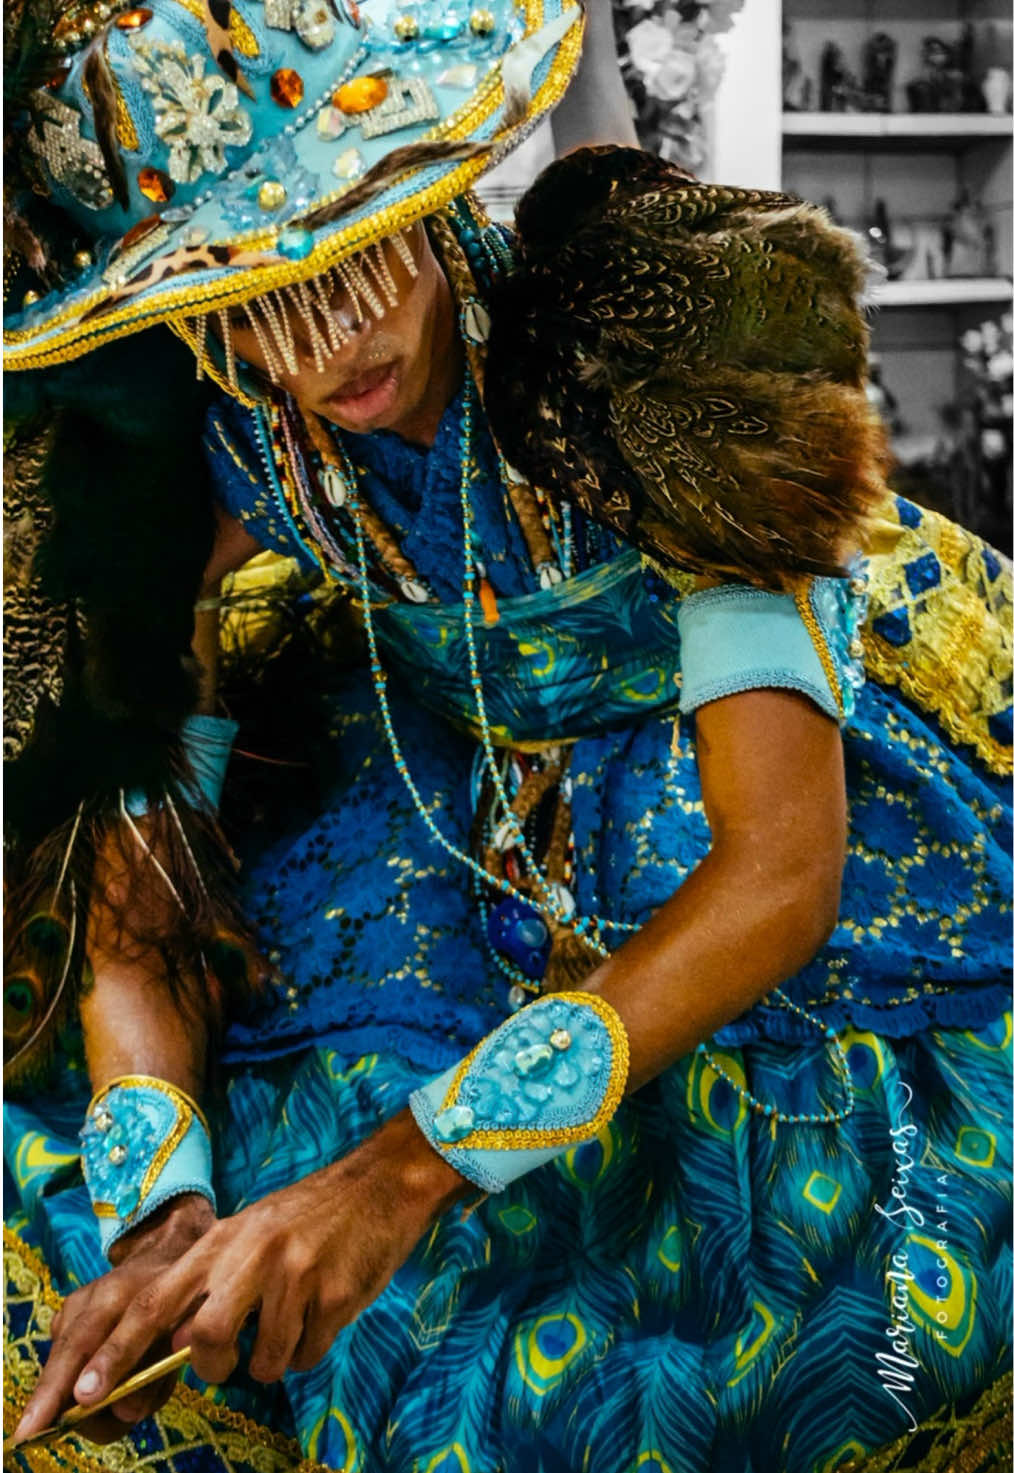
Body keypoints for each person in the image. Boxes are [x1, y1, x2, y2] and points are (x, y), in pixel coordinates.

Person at [4, 4, 1011, 1472]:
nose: (324, 340)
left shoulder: (652, 357)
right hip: (432, 773)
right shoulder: (210, 452)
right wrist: (165, 1217)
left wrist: (399, 1175)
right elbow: (138, 918)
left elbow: (780, 874)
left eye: (349, 247)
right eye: (239, 295)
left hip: (732, 755)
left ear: (416, 178)